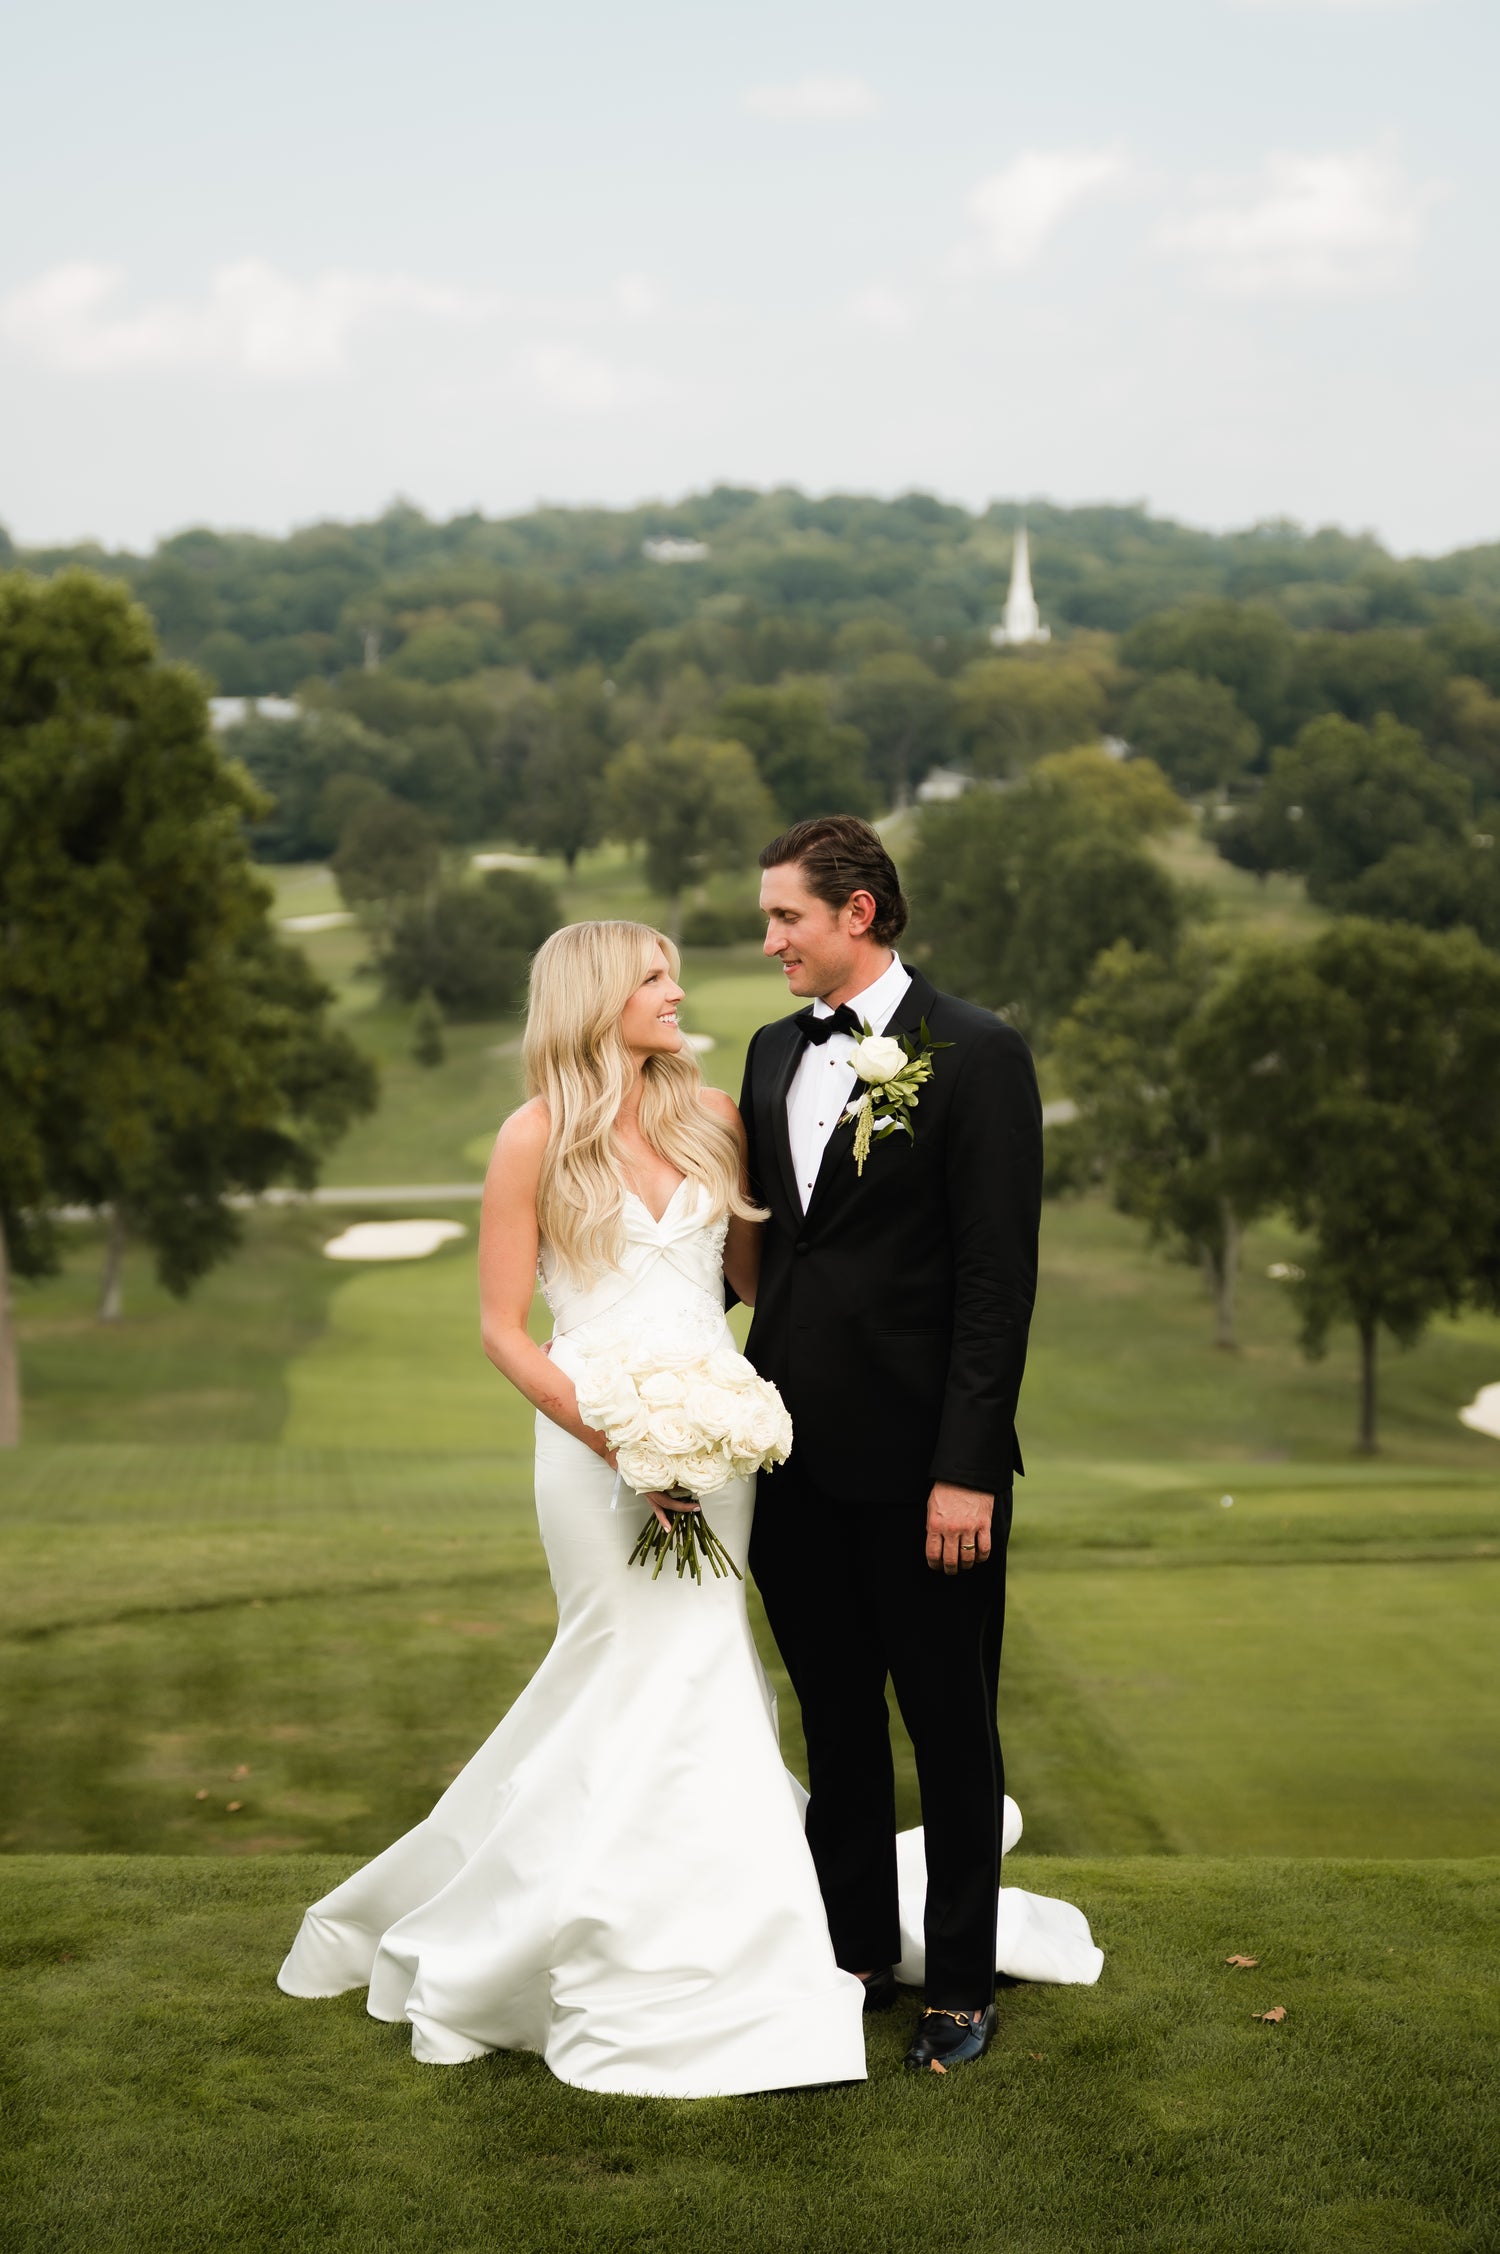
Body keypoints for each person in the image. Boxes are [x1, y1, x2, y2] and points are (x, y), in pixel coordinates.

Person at [276, 920, 868, 2097]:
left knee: (703, 1666)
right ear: (597, 996)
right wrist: (625, 1441)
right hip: (588, 1449)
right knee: (619, 1660)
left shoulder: (712, 1117)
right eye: (656, 976)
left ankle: (722, 1938)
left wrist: (726, 1412)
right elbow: (503, 1329)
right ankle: (556, 1930)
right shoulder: (533, 1137)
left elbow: (759, 1288)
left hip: (717, 1449)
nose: (679, 990)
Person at [740, 814, 1046, 2072]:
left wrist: (965, 1466)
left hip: (930, 1473)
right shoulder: (768, 1055)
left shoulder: (978, 1055)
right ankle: (854, 1953)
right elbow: (764, 1253)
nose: (770, 943)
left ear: (857, 912)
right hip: (789, 1465)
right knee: (837, 1724)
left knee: (949, 1724)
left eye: (786, 920)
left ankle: (961, 1985)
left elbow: (995, 1281)